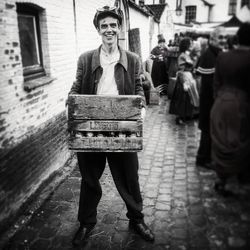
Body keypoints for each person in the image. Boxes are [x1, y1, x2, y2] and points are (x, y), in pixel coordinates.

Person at [68, 5, 154, 246]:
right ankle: (86, 223)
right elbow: (76, 87)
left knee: (129, 178)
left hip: (122, 128)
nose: (109, 29)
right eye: (104, 25)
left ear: (119, 28)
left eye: (113, 25)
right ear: (98, 29)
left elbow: (138, 89)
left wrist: (142, 108)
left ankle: (136, 219)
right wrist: (71, 103)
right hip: (91, 128)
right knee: (89, 180)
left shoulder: (133, 59)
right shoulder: (86, 59)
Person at [210, 22, 250, 195]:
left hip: (220, 103)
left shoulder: (222, 57)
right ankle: (242, 174)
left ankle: (221, 179)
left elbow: (216, 84)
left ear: (238, 37)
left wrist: (219, 100)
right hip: (242, 105)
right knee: (240, 140)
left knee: (221, 140)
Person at [195, 27, 227, 168]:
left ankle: (207, 157)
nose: (223, 41)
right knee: (207, 131)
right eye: (220, 38)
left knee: (209, 131)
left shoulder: (215, 53)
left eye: (224, 38)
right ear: (212, 39)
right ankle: (203, 159)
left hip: (211, 101)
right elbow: (209, 84)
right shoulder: (210, 55)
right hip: (209, 101)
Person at [169, 37, 198, 125]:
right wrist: (184, 82)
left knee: (189, 98)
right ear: (186, 45)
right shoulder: (182, 56)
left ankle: (187, 115)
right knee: (183, 99)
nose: (192, 45)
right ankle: (180, 118)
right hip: (184, 78)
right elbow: (180, 70)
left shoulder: (187, 55)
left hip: (189, 77)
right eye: (190, 44)